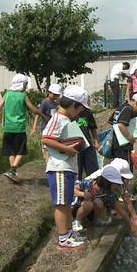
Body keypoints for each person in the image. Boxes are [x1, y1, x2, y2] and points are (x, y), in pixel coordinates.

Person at [41, 85, 90, 250]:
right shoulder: (58, 118)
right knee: (62, 203)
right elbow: (46, 138)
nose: (80, 113)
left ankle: (68, 233)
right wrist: (68, 149)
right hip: (59, 167)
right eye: (80, 109)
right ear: (73, 105)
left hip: (67, 168)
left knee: (67, 202)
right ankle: (63, 237)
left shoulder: (66, 120)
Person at [0, 74, 46, 182]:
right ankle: (13, 169)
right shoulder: (23, 95)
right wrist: (42, 114)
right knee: (20, 150)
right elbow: (32, 108)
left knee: (10, 151)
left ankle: (12, 173)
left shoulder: (7, 94)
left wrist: (2, 117)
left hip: (8, 128)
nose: (26, 86)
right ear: (21, 84)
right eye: (25, 84)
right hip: (19, 128)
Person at [72, 165, 137, 236]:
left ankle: (92, 221)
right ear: (107, 182)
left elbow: (120, 210)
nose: (116, 186)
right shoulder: (89, 184)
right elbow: (72, 189)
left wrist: (131, 224)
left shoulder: (109, 194)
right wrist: (82, 194)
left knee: (98, 202)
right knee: (89, 204)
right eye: (115, 184)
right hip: (79, 209)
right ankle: (77, 221)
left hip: (92, 214)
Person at [109, 93, 137, 167]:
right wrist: (130, 138)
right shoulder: (128, 109)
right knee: (125, 169)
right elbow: (121, 125)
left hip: (116, 143)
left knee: (118, 168)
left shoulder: (121, 107)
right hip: (124, 146)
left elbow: (113, 122)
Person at [31, 83, 62, 160]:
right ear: (49, 93)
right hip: (46, 128)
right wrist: (34, 127)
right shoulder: (45, 102)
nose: (56, 97)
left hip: (53, 129)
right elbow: (38, 114)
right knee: (46, 148)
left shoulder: (55, 103)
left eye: (57, 95)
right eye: (54, 94)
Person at [76, 104, 100, 180]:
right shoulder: (69, 113)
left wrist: (96, 141)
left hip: (87, 144)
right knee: (77, 170)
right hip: (74, 146)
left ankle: (92, 187)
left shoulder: (87, 112)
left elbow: (92, 127)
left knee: (92, 170)